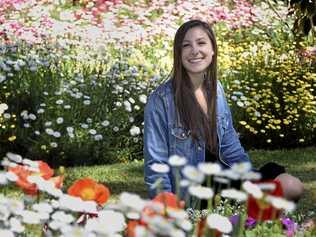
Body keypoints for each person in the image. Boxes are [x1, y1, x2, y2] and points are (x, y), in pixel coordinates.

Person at [143, 19, 304, 203]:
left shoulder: (215, 89)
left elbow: (229, 145)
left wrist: (251, 182)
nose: (195, 50)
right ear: (178, 53)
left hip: (226, 180)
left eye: (201, 43)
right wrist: (167, 206)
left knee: (291, 186)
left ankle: (254, 213)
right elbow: (156, 164)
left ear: (212, 50)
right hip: (192, 193)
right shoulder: (161, 101)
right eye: (186, 45)